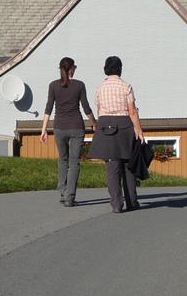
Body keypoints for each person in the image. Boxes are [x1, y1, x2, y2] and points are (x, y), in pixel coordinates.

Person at [89, 55, 145, 213]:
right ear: (120, 69)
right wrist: (139, 131)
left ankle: (116, 204)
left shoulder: (100, 88)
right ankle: (132, 201)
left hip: (105, 125)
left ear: (106, 69)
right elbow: (132, 111)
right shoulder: (126, 86)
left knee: (112, 166)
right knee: (128, 165)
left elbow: (99, 109)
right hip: (124, 125)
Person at [39, 57, 97, 207]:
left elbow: (48, 108)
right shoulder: (79, 85)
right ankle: (70, 197)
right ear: (71, 69)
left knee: (62, 159)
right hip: (76, 127)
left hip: (59, 127)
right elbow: (86, 107)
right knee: (74, 162)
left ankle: (63, 192)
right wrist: (95, 124)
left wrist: (43, 130)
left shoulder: (53, 85)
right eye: (74, 68)